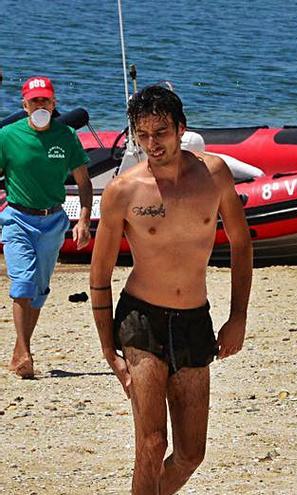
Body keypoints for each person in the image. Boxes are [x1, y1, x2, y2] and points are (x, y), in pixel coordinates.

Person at [89, 85, 252, 494]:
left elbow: (240, 242)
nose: (150, 144)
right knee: (151, 443)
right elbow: (100, 273)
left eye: (159, 132)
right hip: (141, 318)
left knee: (190, 453)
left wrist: (238, 317)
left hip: (196, 319)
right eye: (140, 135)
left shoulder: (213, 174)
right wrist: (109, 350)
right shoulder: (123, 190)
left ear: (181, 129)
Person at [0, 76, 92, 378]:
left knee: (38, 291)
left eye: (45, 100)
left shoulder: (66, 135)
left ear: (53, 104)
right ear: (25, 105)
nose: (40, 105)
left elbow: (83, 181)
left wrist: (83, 220)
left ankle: (19, 347)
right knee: (23, 283)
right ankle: (26, 352)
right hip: (17, 218)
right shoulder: (7, 136)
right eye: (35, 101)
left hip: (53, 221)